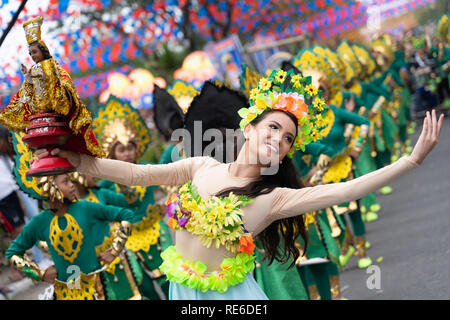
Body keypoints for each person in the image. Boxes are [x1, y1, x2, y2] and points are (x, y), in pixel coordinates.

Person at [35, 69, 443, 300]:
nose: (279, 141)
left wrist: (409, 161)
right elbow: (138, 175)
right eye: (273, 128)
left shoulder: (275, 198)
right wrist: (79, 161)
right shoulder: (202, 166)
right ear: (248, 127)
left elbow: (344, 190)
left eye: (287, 140)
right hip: (182, 291)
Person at [0, 16, 104, 159]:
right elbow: (31, 84)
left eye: (34, 52)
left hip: (54, 103)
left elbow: (57, 80)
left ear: (43, 51)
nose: (32, 56)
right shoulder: (35, 68)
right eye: (30, 54)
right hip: (40, 104)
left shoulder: (52, 66)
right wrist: (27, 76)